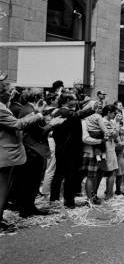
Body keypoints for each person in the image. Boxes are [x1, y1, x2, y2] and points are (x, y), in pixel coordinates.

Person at [0, 81, 47, 232]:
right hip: (5, 152)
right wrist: (39, 114)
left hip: (9, 152)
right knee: (2, 189)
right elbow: (17, 124)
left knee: (5, 189)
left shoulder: (4, 106)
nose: (13, 93)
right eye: (10, 90)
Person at [14, 89, 63, 217]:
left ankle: (30, 207)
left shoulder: (28, 109)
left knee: (33, 181)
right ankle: (26, 209)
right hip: (32, 150)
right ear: (37, 98)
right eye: (42, 97)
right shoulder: (29, 111)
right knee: (30, 181)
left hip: (32, 149)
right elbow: (39, 133)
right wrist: (51, 124)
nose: (44, 99)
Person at [50, 94, 95, 209]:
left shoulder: (63, 111)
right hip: (68, 149)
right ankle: (67, 201)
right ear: (67, 101)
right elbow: (77, 114)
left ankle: (56, 199)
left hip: (64, 148)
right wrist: (93, 108)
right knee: (68, 175)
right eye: (74, 99)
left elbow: (77, 110)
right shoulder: (63, 112)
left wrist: (87, 102)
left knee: (61, 174)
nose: (76, 101)